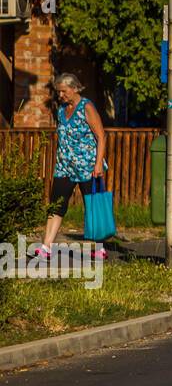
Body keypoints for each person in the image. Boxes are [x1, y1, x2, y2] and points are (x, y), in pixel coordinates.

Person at [34, 73, 108, 260]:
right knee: (56, 205)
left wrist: (98, 163)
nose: (60, 95)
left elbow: (101, 136)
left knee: (93, 206)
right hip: (65, 166)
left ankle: (99, 248)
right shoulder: (61, 110)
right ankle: (46, 246)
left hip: (87, 166)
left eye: (63, 91)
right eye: (58, 92)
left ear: (74, 88)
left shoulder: (87, 107)